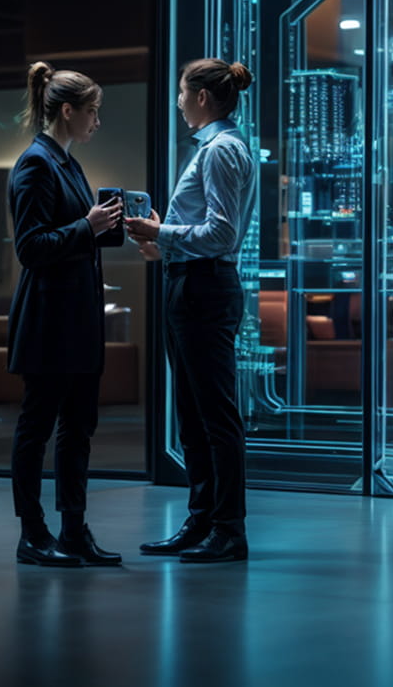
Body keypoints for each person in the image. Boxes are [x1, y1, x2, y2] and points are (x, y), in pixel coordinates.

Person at [127, 57, 257, 564]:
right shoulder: (215, 146)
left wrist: (162, 233)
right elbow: (206, 232)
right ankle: (203, 521)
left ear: (202, 97)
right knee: (194, 414)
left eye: (183, 93)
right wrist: (168, 244)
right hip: (191, 284)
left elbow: (222, 234)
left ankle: (228, 528)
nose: (179, 101)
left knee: (215, 417)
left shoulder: (222, 149)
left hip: (205, 291)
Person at [6, 63, 124, 568]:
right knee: (38, 427)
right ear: (68, 110)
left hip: (75, 322)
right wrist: (87, 226)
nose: (97, 121)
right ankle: (32, 533)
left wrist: (102, 227)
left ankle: (73, 530)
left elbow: (74, 234)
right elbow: (30, 248)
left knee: (78, 426)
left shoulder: (67, 163)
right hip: (50, 323)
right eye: (93, 111)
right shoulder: (35, 164)